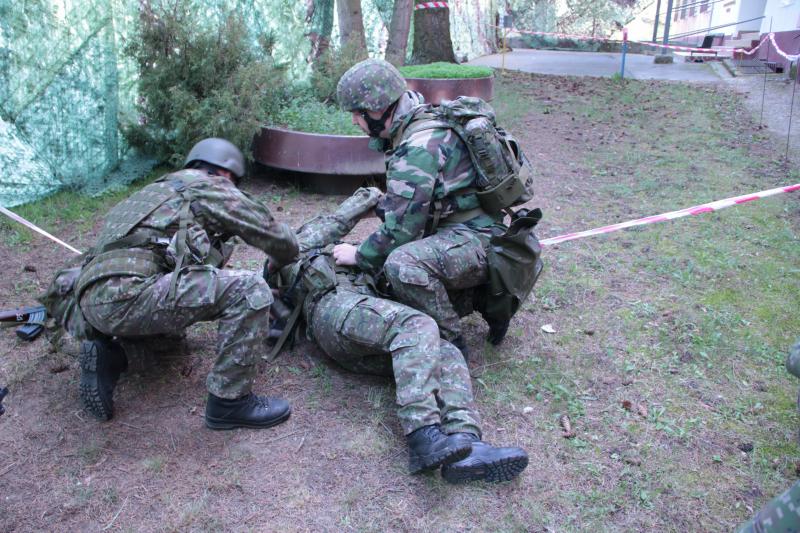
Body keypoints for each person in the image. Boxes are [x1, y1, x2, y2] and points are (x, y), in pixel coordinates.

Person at [270, 187, 528, 482]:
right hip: (335, 310)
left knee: (443, 348)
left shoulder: (355, 253)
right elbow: (334, 222)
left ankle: (467, 443)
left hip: (366, 327)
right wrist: (368, 197)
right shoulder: (296, 247)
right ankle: (423, 436)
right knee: (416, 325)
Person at [40, 138, 299, 429]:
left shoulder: (153, 193)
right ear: (225, 173)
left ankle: (112, 356)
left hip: (89, 301)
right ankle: (230, 403)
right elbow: (282, 241)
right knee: (250, 289)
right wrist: (277, 262)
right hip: (130, 296)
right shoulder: (210, 187)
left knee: (172, 344)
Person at [332, 58, 541, 355]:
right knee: (401, 272)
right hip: (474, 230)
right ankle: (485, 300)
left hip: (475, 239)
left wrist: (359, 255)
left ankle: (451, 342)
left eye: (357, 112)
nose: (355, 120)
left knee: (401, 265)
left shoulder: (417, 148)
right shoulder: (421, 115)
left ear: (378, 109)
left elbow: (401, 232)